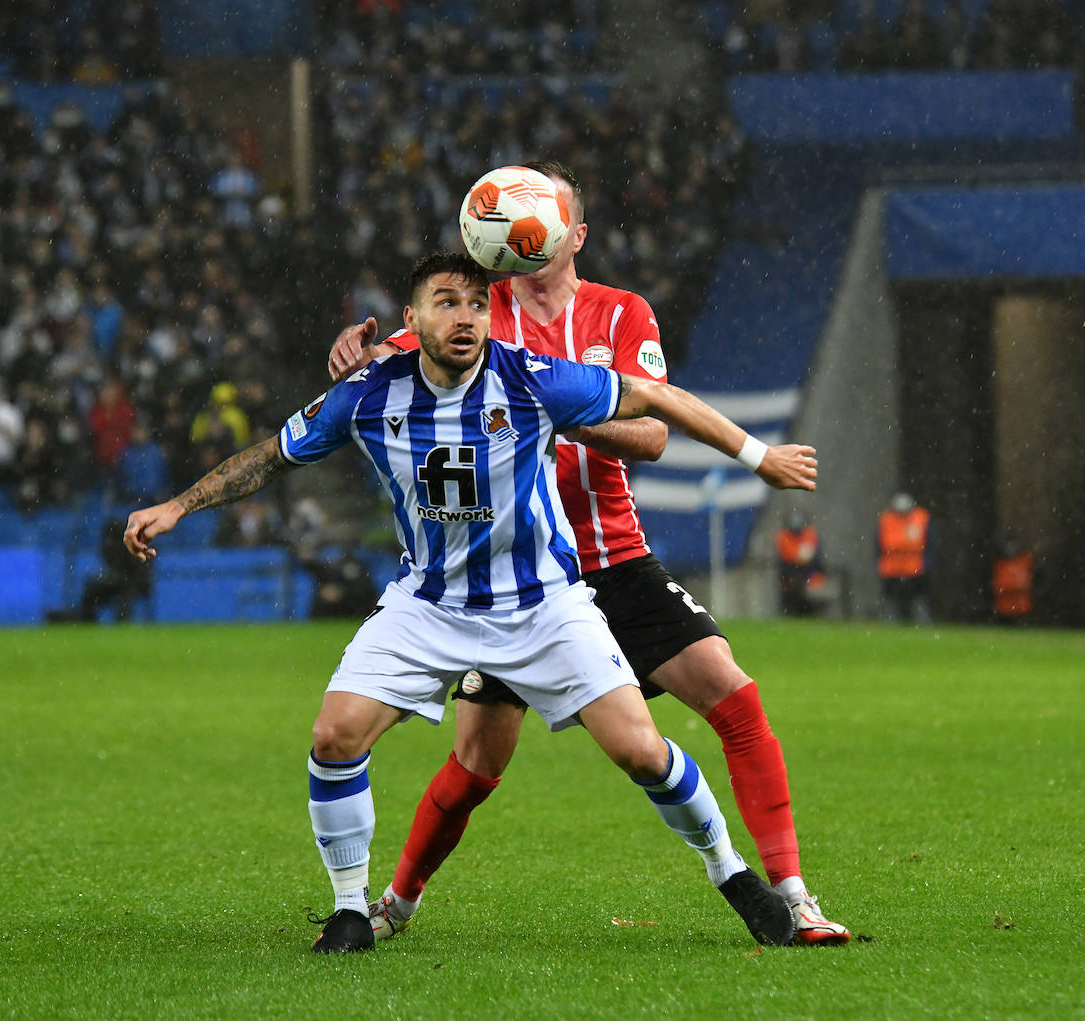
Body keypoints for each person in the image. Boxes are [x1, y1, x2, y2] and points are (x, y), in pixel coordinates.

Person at [125, 252, 820, 953]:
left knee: (641, 751)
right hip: (428, 606)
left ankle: (733, 874)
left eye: (478, 305)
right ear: (412, 319)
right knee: (335, 734)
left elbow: (659, 399)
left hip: (544, 606)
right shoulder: (369, 391)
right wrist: (179, 505)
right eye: (447, 302)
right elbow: (274, 454)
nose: (466, 318)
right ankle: (348, 909)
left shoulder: (527, 378)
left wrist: (759, 457)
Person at [327, 162, 849, 945]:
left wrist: (543, 404)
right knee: (478, 762)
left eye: (550, 215)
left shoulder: (621, 312)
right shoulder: (477, 309)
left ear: (574, 233)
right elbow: (397, 365)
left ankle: (793, 894)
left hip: (610, 557)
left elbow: (651, 433)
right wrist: (350, 351)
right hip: (505, 572)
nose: (531, 227)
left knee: (733, 696)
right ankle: (395, 902)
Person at [878, 491, 932, 623]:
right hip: (892, 568)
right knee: (892, 601)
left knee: (918, 599)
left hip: (915, 567)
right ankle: (891, 624)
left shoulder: (921, 518)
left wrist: (927, 562)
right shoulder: (887, 520)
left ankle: (922, 625)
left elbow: (930, 542)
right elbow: (880, 544)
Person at [776, 511, 826, 617]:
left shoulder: (810, 535)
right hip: (791, 576)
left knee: (812, 600)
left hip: (809, 574)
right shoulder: (784, 537)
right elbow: (793, 557)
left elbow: (815, 560)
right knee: (791, 599)